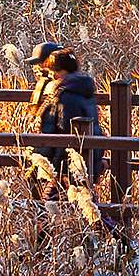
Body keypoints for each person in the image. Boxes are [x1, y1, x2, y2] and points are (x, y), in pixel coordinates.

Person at [28, 43, 101, 197]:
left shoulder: (65, 94)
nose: (51, 74)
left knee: (54, 201)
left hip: (67, 159)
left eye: (54, 70)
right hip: (82, 155)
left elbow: (63, 130)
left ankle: (103, 219)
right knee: (80, 198)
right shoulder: (81, 88)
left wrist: (54, 164)